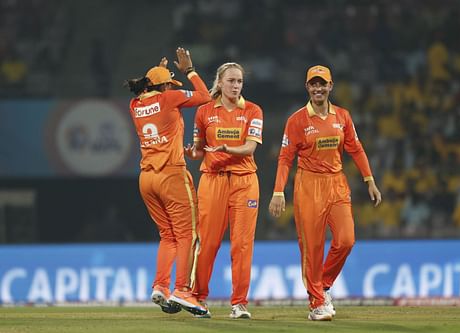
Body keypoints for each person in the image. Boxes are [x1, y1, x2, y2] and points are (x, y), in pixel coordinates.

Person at [268, 65, 382, 321]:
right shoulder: (296, 120)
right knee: (312, 247)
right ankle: (317, 303)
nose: (318, 88)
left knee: (346, 239)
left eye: (323, 84)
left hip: (337, 182)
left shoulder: (342, 116)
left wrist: (369, 180)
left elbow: (356, 148)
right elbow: (285, 158)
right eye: (313, 84)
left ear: (331, 86)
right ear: (307, 87)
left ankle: (323, 284)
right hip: (308, 185)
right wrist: (278, 191)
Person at [124, 47, 211, 316]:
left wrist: (158, 73)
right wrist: (189, 71)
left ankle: (160, 286)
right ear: (163, 86)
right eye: (168, 85)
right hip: (171, 174)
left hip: (146, 178)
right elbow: (205, 97)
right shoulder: (169, 99)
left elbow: (148, 91)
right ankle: (183, 290)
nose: (171, 89)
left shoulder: (135, 105)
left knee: (168, 235)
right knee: (188, 235)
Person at [185, 62, 263, 319]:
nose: (236, 85)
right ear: (219, 82)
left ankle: (239, 303)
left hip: (245, 182)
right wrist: (192, 152)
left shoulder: (253, 110)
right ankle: (198, 299)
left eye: (239, 81)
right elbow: (199, 150)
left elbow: (250, 148)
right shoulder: (204, 112)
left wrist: (227, 149)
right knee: (208, 242)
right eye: (231, 81)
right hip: (213, 181)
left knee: (242, 245)